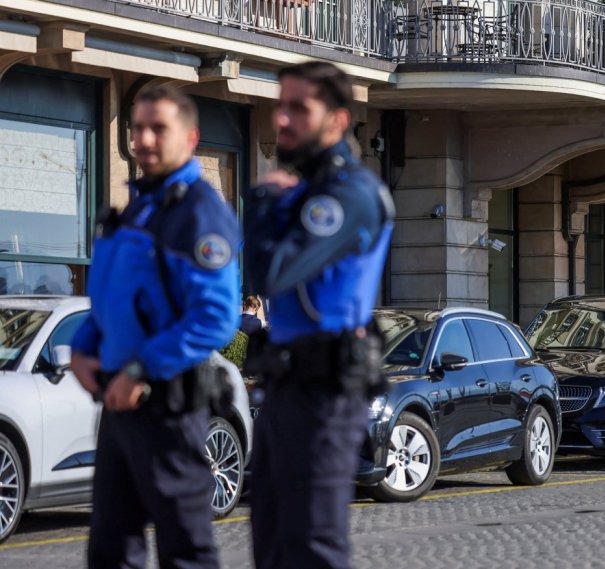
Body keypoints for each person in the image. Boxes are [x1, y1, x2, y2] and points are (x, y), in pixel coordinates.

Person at [69, 85, 240, 568]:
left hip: (165, 403)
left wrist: (141, 370)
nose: (143, 139)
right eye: (137, 128)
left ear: (190, 137)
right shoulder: (141, 208)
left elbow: (215, 318)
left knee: (185, 551)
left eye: (157, 128)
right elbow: (114, 302)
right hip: (119, 406)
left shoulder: (200, 213)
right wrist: (83, 348)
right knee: (109, 548)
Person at [244, 61, 394, 568]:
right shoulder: (306, 193)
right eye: (280, 106)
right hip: (284, 387)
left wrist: (264, 200)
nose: (282, 119)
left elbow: (271, 272)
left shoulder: (348, 194)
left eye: (298, 109)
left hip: (326, 395)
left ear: (336, 120)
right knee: (272, 541)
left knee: (312, 544)